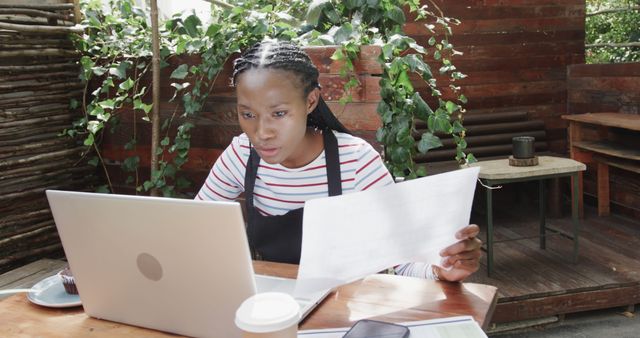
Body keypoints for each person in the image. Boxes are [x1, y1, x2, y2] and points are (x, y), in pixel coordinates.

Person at [196, 40, 481, 282]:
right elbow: (192, 228)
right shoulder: (240, 156)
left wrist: (441, 269)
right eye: (248, 115)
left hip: (347, 310)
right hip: (276, 309)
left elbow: (402, 260)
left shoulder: (356, 161)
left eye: (279, 113)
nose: (262, 133)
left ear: (310, 102)